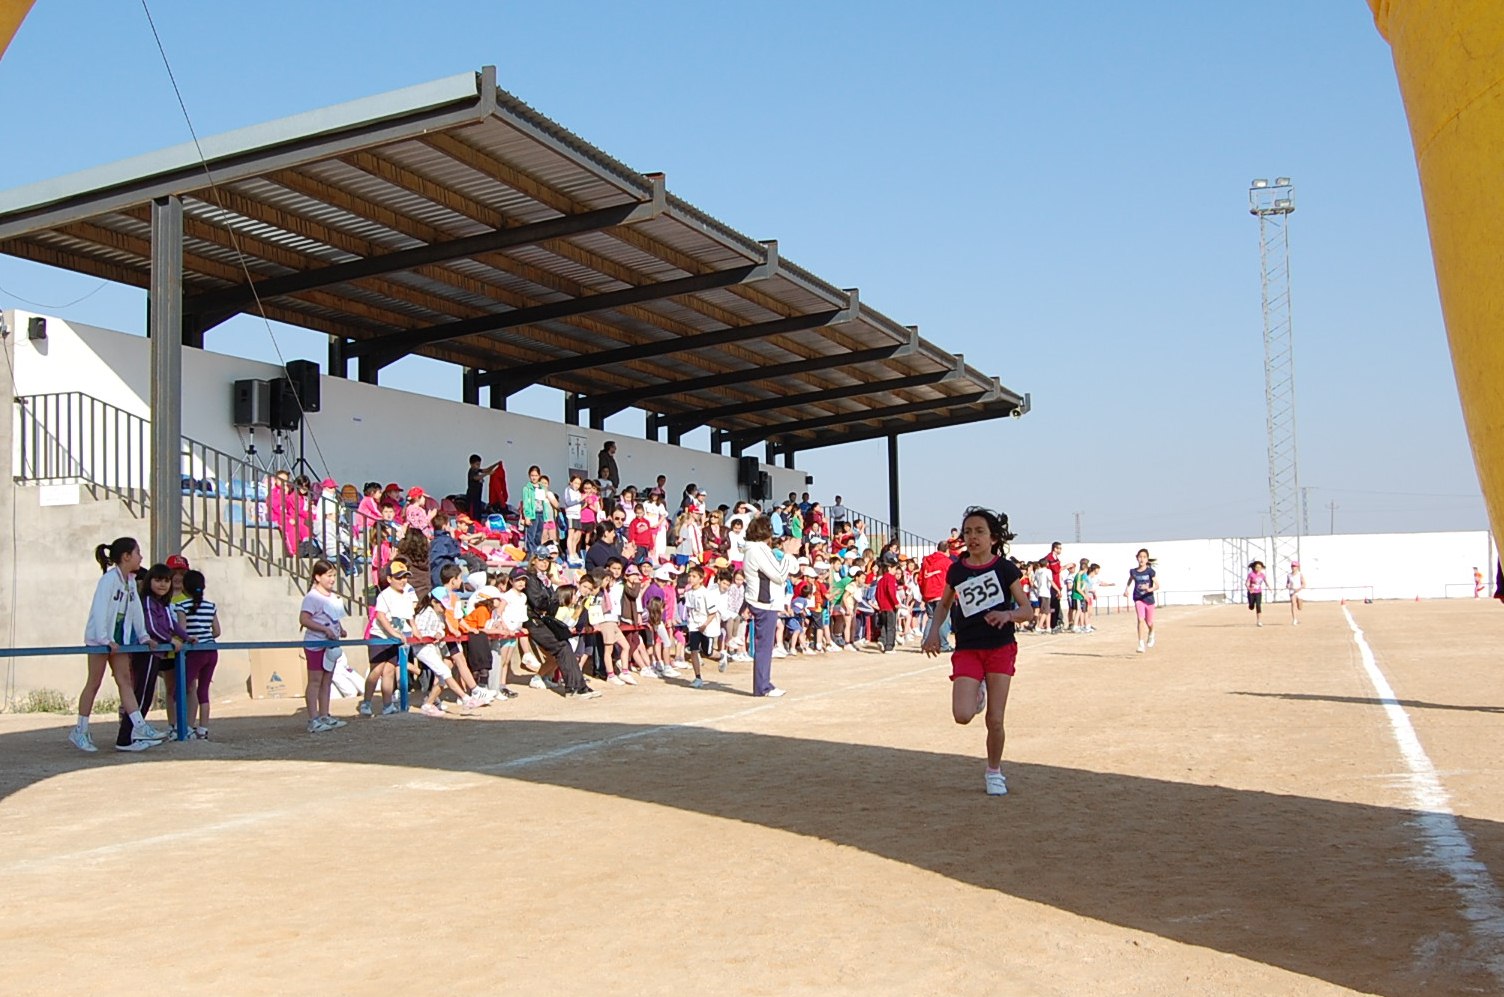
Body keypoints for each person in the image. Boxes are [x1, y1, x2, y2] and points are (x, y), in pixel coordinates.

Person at [921, 507, 1030, 797]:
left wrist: (1007, 615)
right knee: (962, 715)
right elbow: (944, 604)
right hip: (968, 648)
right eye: (968, 532)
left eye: (979, 531)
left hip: (1000, 648)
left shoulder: (1005, 569)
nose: (972, 537)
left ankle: (994, 772)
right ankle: (977, 691)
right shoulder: (957, 570)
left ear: (993, 538)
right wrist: (933, 633)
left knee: (995, 719)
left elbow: (1027, 610)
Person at [77, 537, 164, 752]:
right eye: (137, 553)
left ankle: (139, 727)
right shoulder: (108, 580)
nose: (140, 557)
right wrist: (104, 639)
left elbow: (136, 611)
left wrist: (143, 636)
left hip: (120, 640)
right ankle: (80, 730)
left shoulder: (131, 581)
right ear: (126, 557)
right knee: (94, 683)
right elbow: (99, 610)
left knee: (125, 681)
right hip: (101, 641)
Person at [119, 563, 193, 752]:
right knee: (141, 695)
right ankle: (125, 738)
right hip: (146, 653)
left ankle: (133, 735)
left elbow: (171, 624)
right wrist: (170, 640)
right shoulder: (147, 602)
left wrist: (186, 637)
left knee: (146, 695)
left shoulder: (162, 603)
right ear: (149, 581)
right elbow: (151, 627)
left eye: (166, 581)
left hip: (156, 653)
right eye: (158, 580)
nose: (163, 584)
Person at [522, 551, 601, 698]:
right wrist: (556, 600)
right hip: (534, 621)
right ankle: (575, 687)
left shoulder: (543, 579)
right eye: (541, 559)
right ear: (533, 561)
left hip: (543, 620)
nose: (544, 562)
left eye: (547, 560)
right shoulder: (531, 579)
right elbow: (538, 603)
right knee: (562, 646)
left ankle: (578, 686)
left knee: (565, 646)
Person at [742, 516, 800, 697]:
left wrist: (789, 555)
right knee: (764, 647)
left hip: (766, 601)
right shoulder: (757, 550)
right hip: (764, 602)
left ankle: (764, 684)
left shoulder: (758, 549)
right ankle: (762, 687)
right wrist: (788, 554)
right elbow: (780, 576)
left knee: (765, 646)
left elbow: (790, 570)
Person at [300, 559, 351, 733]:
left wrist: (340, 630)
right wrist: (323, 629)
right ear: (318, 577)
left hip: (331, 646)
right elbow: (304, 619)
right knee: (315, 681)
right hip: (316, 644)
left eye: (334, 576)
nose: (332, 579)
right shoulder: (312, 597)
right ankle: (313, 719)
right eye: (328, 576)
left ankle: (324, 715)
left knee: (327, 681)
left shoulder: (333, 597)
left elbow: (333, 618)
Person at [364, 559, 417, 716]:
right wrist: (393, 632)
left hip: (395, 639)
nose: (403, 581)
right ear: (389, 579)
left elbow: (410, 616)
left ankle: (387, 705)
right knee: (377, 670)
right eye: (399, 577)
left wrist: (415, 630)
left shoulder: (406, 596)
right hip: (380, 637)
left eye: (405, 577)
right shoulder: (385, 595)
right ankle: (366, 703)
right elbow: (380, 616)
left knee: (389, 671)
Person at [174, 569, 221, 740]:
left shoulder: (182, 606)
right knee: (203, 691)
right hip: (211, 650)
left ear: (185, 587)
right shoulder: (210, 606)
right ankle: (203, 729)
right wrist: (205, 635)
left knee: (181, 689)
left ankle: (183, 727)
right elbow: (217, 631)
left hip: (194, 652)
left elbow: (182, 631)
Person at [1125, 549, 1160, 652]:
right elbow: (1130, 579)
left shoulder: (1150, 572)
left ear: (1147, 559)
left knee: (1149, 622)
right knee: (1140, 619)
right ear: (1137, 558)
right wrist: (1126, 589)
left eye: (1144, 557)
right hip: (1138, 598)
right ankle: (1141, 644)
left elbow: (1157, 585)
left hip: (1149, 599)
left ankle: (1151, 632)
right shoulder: (1133, 571)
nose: (1142, 559)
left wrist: (1149, 589)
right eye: (1140, 557)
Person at [1246, 560, 1268, 627]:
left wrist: (1269, 587)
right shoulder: (1251, 574)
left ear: (1262, 568)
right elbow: (1247, 583)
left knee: (1258, 605)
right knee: (1251, 607)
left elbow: (1265, 581)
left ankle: (1259, 621)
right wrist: (1249, 588)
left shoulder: (1262, 575)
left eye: (1259, 567)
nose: (1258, 569)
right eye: (1257, 567)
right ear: (1254, 567)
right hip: (1251, 592)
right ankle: (1251, 605)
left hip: (1258, 592)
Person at [1287, 559, 1305, 624]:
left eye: (1294, 566)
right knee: (1293, 604)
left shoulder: (1300, 574)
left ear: (1297, 567)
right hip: (1292, 591)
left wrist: (1299, 589)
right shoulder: (1289, 575)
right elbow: (1287, 583)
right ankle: (1294, 619)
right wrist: (1288, 586)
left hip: (1299, 591)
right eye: (1292, 566)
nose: (1293, 567)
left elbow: (1304, 584)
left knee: (1300, 607)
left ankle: (1299, 603)